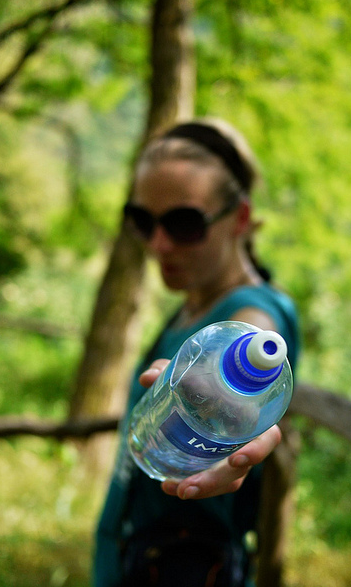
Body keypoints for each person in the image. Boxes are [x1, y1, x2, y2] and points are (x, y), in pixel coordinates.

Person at [93, 118, 300, 587]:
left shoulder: (257, 311)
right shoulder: (192, 304)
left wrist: (226, 409)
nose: (158, 243)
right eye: (143, 221)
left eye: (184, 223)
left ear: (240, 219)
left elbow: (252, 343)